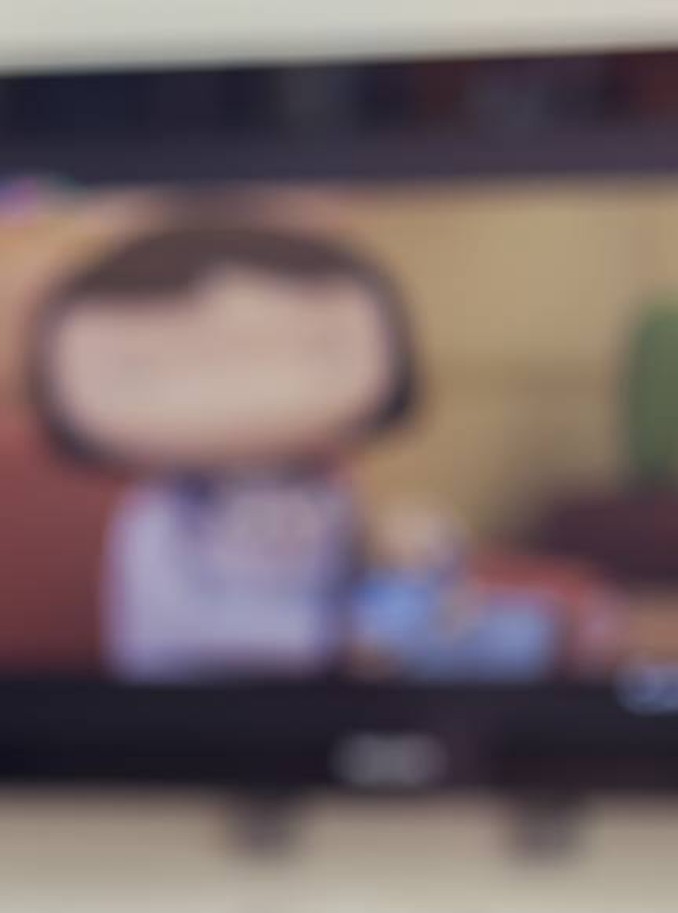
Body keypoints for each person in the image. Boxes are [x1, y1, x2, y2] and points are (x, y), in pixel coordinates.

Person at [28, 222, 419, 682]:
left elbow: (350, 565)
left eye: (312, 351)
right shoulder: (157, 515)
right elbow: (181, 623)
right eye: (147, 369)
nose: (255, 393)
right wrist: (326, 638)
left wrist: (405, 559)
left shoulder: (328, 485)